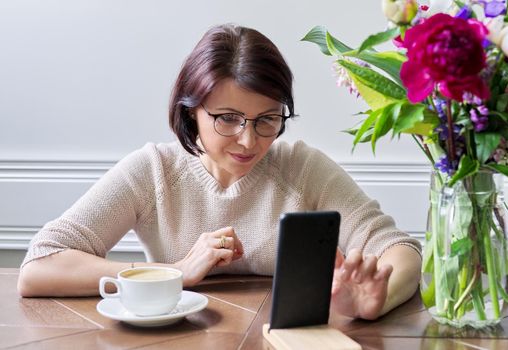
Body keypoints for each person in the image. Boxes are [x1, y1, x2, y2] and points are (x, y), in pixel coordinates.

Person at [17, 24, 421, 320]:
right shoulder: (153, 170)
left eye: (267, 119)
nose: (249, 141)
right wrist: (173, 272)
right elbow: (39, 267)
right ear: (191, 111)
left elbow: (401, 250)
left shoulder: (301, 166)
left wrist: (374, 302)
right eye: (228, 118)